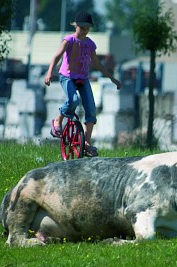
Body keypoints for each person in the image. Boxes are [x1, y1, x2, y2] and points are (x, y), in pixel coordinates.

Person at [44, 11, 122, 157]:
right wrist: (49, 73)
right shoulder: (69, 40)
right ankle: (57, 120)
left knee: (91, 109)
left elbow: (97, 64)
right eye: (82, 26)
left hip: (83, 78)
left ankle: (86, 143)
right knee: (73, 100)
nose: (85, 29)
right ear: (76, 25)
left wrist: (113, 79)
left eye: (88, 27)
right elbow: (56, 57)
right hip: (67, 76)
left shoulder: (91, 44)